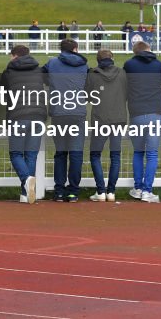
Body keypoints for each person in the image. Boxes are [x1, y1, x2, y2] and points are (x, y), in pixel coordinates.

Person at [43, 38, 89, 202]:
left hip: (59, 112)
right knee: (76, 153)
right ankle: (73, 192)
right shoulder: (84, 64)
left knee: (61, 153)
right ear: (76, 49)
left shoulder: (52, 63)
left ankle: (59, 191)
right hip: (77, 112)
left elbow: (43, 76)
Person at [1, 45, 46, 203]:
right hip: (38, 115)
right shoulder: (38, 70)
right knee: (31, 155)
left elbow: (2, 93)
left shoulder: (9, 72)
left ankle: (26, 181)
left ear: (14, 56)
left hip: (18, 115)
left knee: (16, 154)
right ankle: (26, 193)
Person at [123, 40, 161, 203]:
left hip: (136, 112)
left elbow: (125, 84)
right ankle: (147, 190)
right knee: (152, 153)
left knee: (138, 152)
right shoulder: (158, 65)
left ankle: (138, 187)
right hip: (155, 111)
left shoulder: (129, 65)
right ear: (149, 49)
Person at [86, 49, 126, 202]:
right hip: (118, 118)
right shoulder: (122, 73)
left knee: (95, 155)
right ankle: (111, 191)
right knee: (115, 155)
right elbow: (126, 92)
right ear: (112, 58)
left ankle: (101, 190)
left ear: (98, 60)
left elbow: (88, 95)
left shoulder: (92, 74)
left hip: (100, 118)